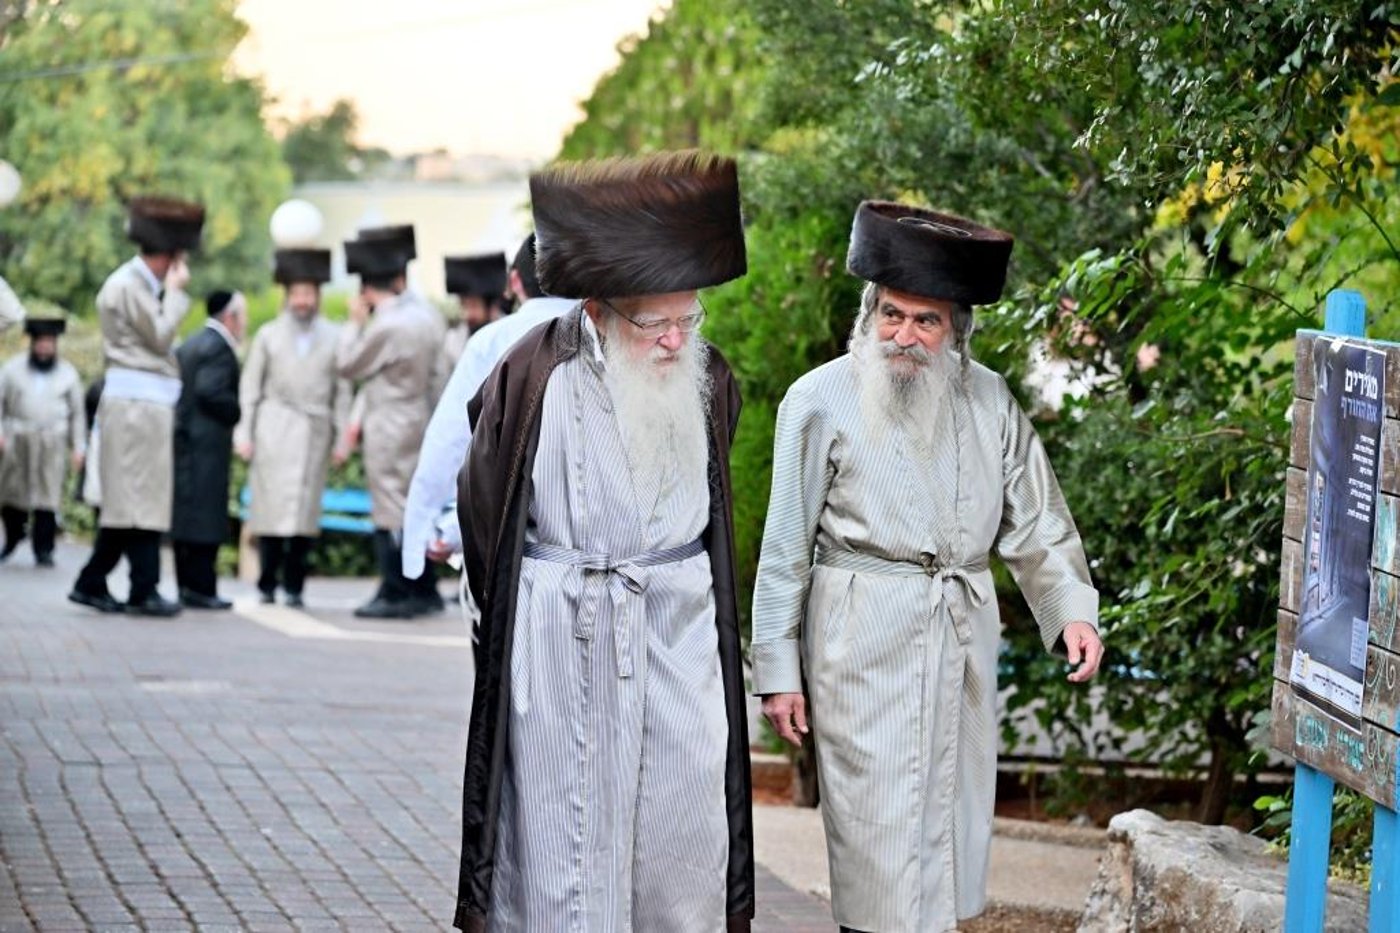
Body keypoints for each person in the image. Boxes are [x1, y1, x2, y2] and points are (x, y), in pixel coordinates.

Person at [750, 201, 1106, 933]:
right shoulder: (817, 399)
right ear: (867, 312)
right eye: (891, 314)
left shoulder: (989, 400)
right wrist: (778, 668)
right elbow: (785, 546)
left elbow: (1037, 519)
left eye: (925, 321)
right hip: (859, 644)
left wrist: (1071, 608)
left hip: (958, 639)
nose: (903, 336)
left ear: (956, 331)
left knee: (947, 838)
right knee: (874, 847)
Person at [453, 150, 754, 933]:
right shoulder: (530, 375)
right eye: (654, 322)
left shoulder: (709, 378)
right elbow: (484, 510)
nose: (672, 341)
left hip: (677, 634)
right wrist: (511, 623)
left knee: (681, 829)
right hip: (562, 635)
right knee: (564, 844)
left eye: (687, 319)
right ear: (597, 312)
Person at [400, 234, 575, 586]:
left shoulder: (492, 342)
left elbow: (450, 440)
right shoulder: (608, 339)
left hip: (513, 535)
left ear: (514, 282)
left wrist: (429, 527)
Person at [70, 196, 203, 617]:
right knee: (134, 499)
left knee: (139, 499)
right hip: (134, 405)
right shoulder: (127, 285)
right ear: (169, 256)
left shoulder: (137, 284)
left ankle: (115, 582)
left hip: (142, 405)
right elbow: (160, 336)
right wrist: (178, 295)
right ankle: (126, 584)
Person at [337, 224, 446, 618]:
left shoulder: (385, 325)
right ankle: (424, 588)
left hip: (387, 419)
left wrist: (352, 323)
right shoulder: (427, 315)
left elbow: (346, 364)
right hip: (418, 413)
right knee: (416, 501)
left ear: (366, 289)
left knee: (388, 507)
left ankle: (394, 589)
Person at [235, 247, 352, 608]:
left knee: (304, 513)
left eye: (309, 293)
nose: (303, 301)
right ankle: (266, 582)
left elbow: (342, 391)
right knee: (269, 510)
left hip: (313, 431)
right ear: (287, 297)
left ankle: (295, 585)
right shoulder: (268, 335)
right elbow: (250, 389)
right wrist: (244, 433)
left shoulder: (335, 336)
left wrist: (342, 437)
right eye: (297, 293)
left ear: (317, 296)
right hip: (273, 428)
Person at [170, 290, 245, 609]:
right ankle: (201, 589)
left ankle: (187, 586)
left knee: (186, 516)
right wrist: (235, 411)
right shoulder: (218, 348)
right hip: (207, 447)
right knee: (205, 517)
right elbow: (209, 390)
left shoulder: (191, 342)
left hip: (186, 442)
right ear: (230, 317)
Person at [0, 317, 84, 566]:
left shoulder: (68, 373)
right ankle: (13, 538)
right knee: (13, 492)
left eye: (50, 343)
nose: (45, 347)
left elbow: (77, 414)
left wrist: (78, 446)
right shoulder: (12, 369)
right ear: (33, 343)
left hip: (52, 442)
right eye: (41, 342)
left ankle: (43, 549)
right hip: (18, 439)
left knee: (48, 496)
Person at [441, 252, 507, 366]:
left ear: (492, 307)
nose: (467, 314)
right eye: (464, 306)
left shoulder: (510, 335)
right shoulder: (453, 342)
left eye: (474, 306)